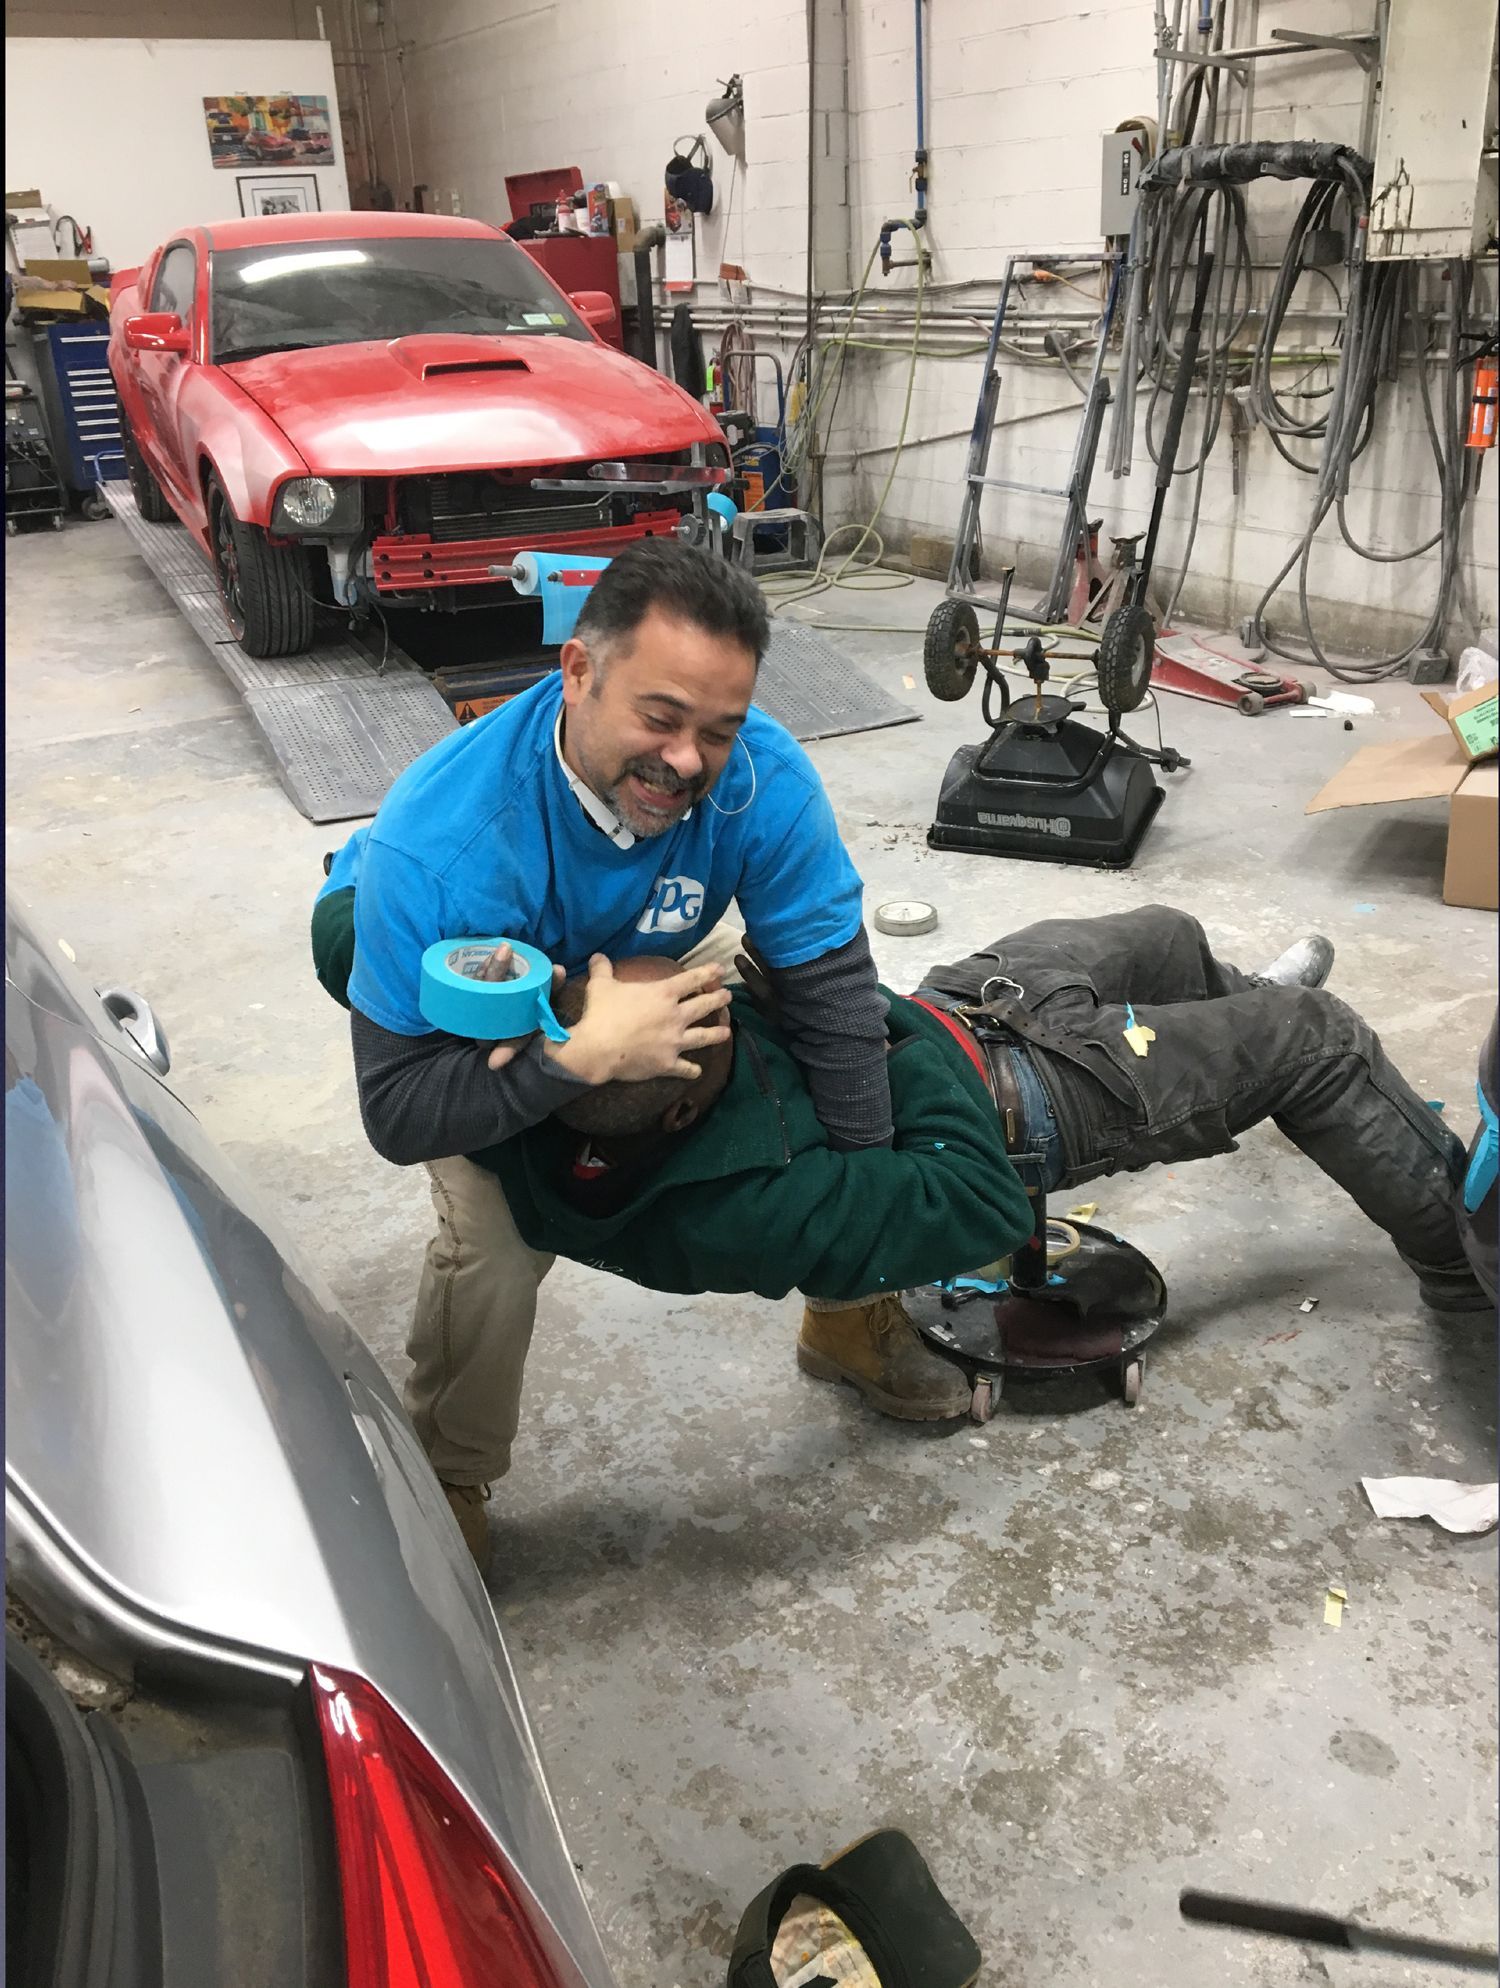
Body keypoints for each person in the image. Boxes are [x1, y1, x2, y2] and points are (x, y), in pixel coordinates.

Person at [314, 538, 956, 1561]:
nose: (689, 760)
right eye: (659, 717)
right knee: (496, 1240)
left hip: (624, 942)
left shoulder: (759, 780)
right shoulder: (441, 850)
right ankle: (449, 1473)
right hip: (469, 969)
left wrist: (864, 1216)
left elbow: (831, 989)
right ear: (578, 672)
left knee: (814, 1084)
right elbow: (397, 1112)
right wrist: (570, 1059)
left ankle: (845, 1321)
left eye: (718, 728)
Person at [450, 906, 1487, 1378]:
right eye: (698, 1007)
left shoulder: (552, 1093)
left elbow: (356, 939)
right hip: (1030, 1098)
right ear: (681, 1109)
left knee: (1168, 935)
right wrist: (848, 1019)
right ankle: (1468, 1273)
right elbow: (979, 1206)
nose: (696, 978)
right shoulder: (742, 1213)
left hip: (960, 1002)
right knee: (1322, 1036)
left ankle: (1242, 1031)